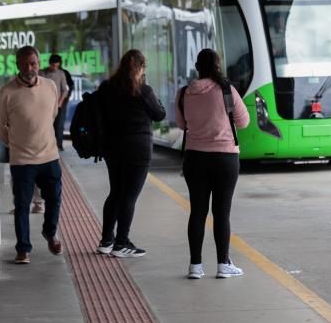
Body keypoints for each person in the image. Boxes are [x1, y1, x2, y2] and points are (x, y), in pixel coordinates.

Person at [175, 49, 249, 279]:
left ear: (197, 67)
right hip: (225, 158)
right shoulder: (227, 90)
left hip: (195, 157)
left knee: (197, 211)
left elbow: (181, 124)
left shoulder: (184, 92)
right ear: (218, 66)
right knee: (221, 212)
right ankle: (223, 264)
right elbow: (244, 122)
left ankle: (195, 267)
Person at [0, 45, 64, 265]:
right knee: (22, 206)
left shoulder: (51, 86)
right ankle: (23, 249)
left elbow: (51, 115)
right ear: (17, 65)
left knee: (54, 198)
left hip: (50, 156)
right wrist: (15, 144)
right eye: (24, 64)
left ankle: (49, 232)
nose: (29, 68)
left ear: (39, 63)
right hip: (22, 160)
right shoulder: (6, 93)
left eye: (33, 63)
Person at [97, 49, 166, 258]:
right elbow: (159, 114)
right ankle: (122, 242)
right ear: (141, 68)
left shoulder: (107, 87)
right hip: (137, 150)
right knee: (129, 196)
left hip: (112, 148)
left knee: (116, 192)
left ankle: (106, 240)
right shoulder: (143, 91)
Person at [41, 54, 70, 151]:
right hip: (45, 104)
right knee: (46, 125)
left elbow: (65, 90)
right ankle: (47, 145)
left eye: (56, 66)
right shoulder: (42, 73)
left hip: (59, 103)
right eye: (53, 66)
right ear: (50, 64)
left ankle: (59, 145)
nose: (54, 68)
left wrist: (60, 102)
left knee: (59, 124)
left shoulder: (61, 73)